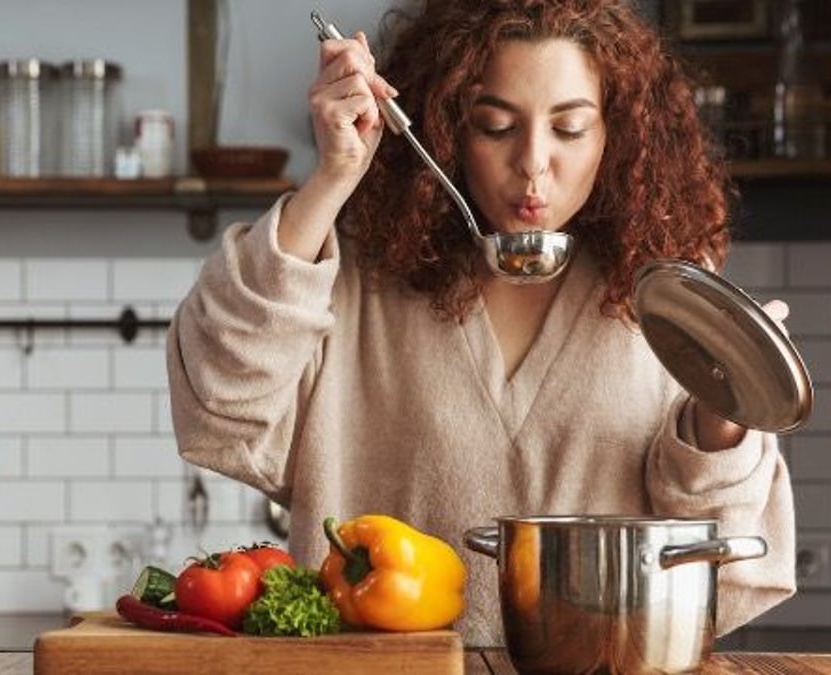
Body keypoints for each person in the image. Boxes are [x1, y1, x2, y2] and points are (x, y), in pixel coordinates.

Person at [166, 0, 795, 645]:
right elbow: (221, 400)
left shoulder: (667, 296)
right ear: (445, 131)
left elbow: (724, 552)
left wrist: (723, 420)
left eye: (570, 130)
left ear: (618, 136)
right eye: (495, 127)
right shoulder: (357, 278)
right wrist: (332, 179)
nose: (532, 163)